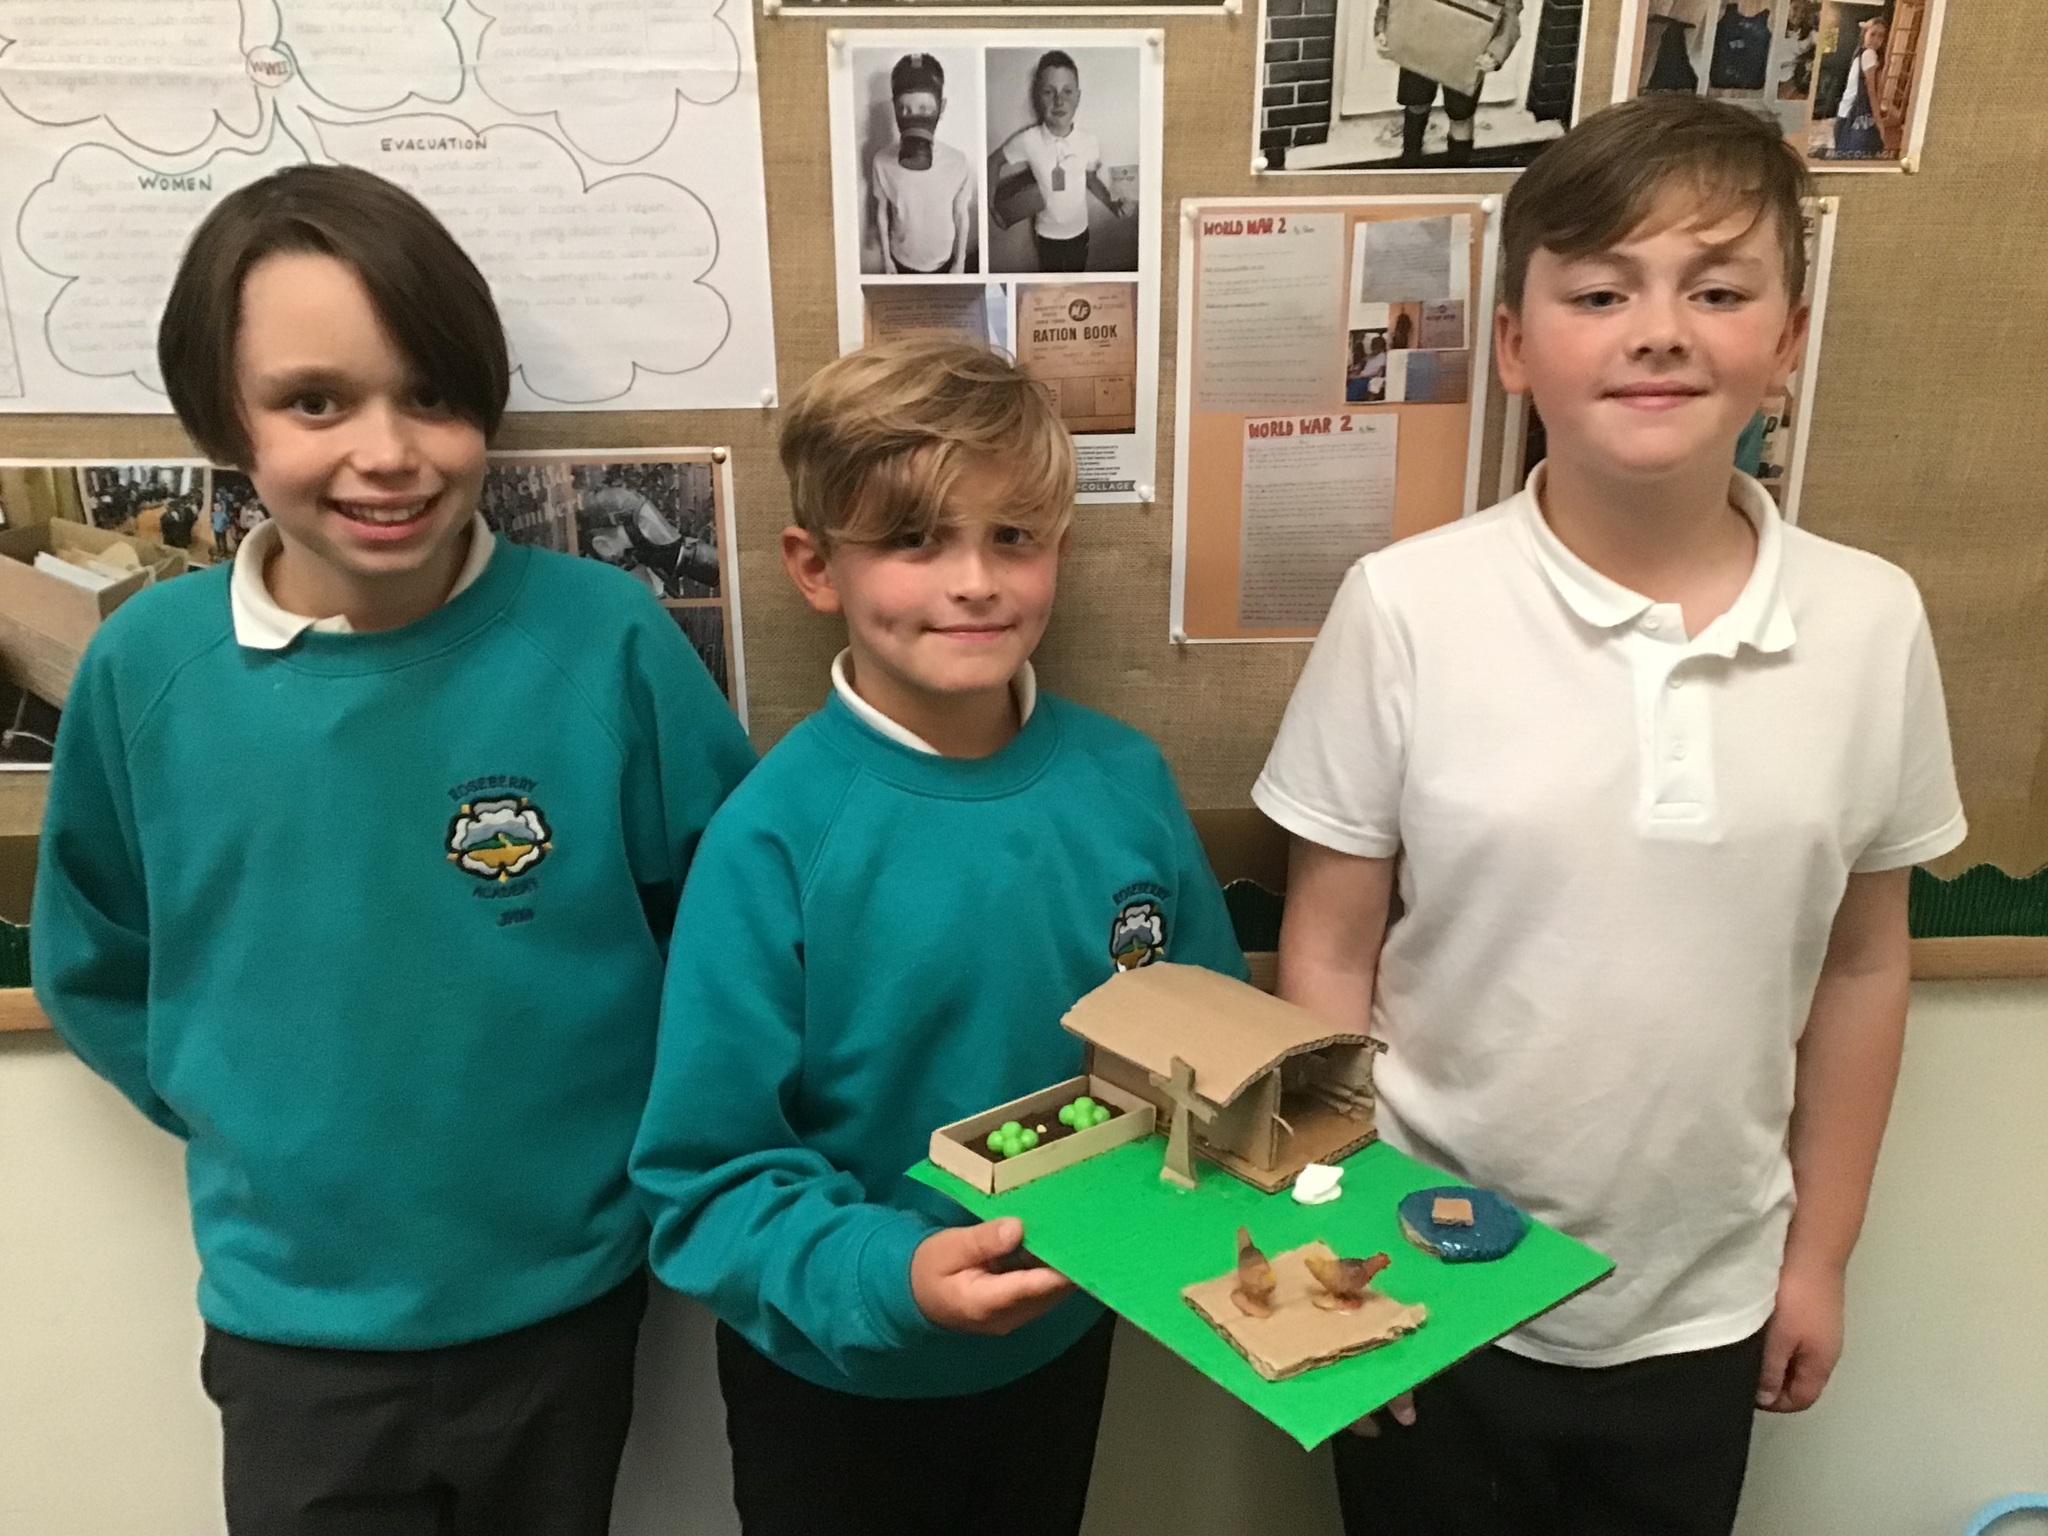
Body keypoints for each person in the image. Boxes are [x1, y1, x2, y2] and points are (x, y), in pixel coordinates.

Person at [1253, 94, 1964, 1536]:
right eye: (1598, 292)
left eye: (1717, 290)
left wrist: (1818, 1259)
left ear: (1788, 338)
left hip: (1705, 1299)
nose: (1658, 332)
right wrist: (1331, 1249)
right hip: (1424, 1275)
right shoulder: (1407, 606)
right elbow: (1326, 951)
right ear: (1516, 345)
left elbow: (1861, 965)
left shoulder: (1870, 620)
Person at [31, 164, 754, 1536]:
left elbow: (727, 935)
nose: (387, 451)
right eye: (316, 401)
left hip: (568, 1299)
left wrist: (614, 1142)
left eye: (429, 395)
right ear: (224, 418)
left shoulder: (604, 639)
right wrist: (261, 1123)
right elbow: (96, 953)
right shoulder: (148, 670)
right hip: (295, 1327)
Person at [631, 334, 1248, 1535]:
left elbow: (1212, 1044)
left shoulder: (1124, 783)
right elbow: (704, 1178)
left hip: (1060, 1344)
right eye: (914, 539)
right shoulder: (771, 838)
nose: (973, 581)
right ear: (815, 567)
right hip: (839, 1378)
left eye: (1011, 536)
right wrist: (887, 1274)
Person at [992, 50, 1133, 273]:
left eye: (1067, 91)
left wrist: (1112, 205)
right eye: (1049, 92)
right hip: (1046, 235)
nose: (1059, 100)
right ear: (1038, 97)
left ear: (1078, 97)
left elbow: (1090, 179)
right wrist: (992, 206)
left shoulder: (1088, 141)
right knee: (1051, 284)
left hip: (1080, 231)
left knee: (1076, 280)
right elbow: (994, 162)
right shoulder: (1028, 140)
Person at [1375, 0, 1522, 166]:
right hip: (1419, 32)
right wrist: (1382, 25)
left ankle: (1457, 171)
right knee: (1416, 101)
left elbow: (1511, 8)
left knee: (1461, 114)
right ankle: (1410, 161)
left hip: (1467, 45)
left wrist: (1496, 52)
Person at [870, 53, 975, 275]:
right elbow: (881, 211)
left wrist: (960, 262)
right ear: (894, 109)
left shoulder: (958, 162)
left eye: (924, 109)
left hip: (944, 261)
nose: (913, 118)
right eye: (904, 109)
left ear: (941, 108)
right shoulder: (882, 162)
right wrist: (887, 259)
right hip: (901, 261)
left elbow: (960, 214)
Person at [1831, 14, 1890, 159]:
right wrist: (1879, 121)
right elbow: (1871, 90)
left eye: (1881, 36)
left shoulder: (1860, 53)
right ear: (1864, 34)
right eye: (1873, 34)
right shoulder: (1869, 54)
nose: (1876, 40)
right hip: (1854, 115)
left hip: (1845, 113)